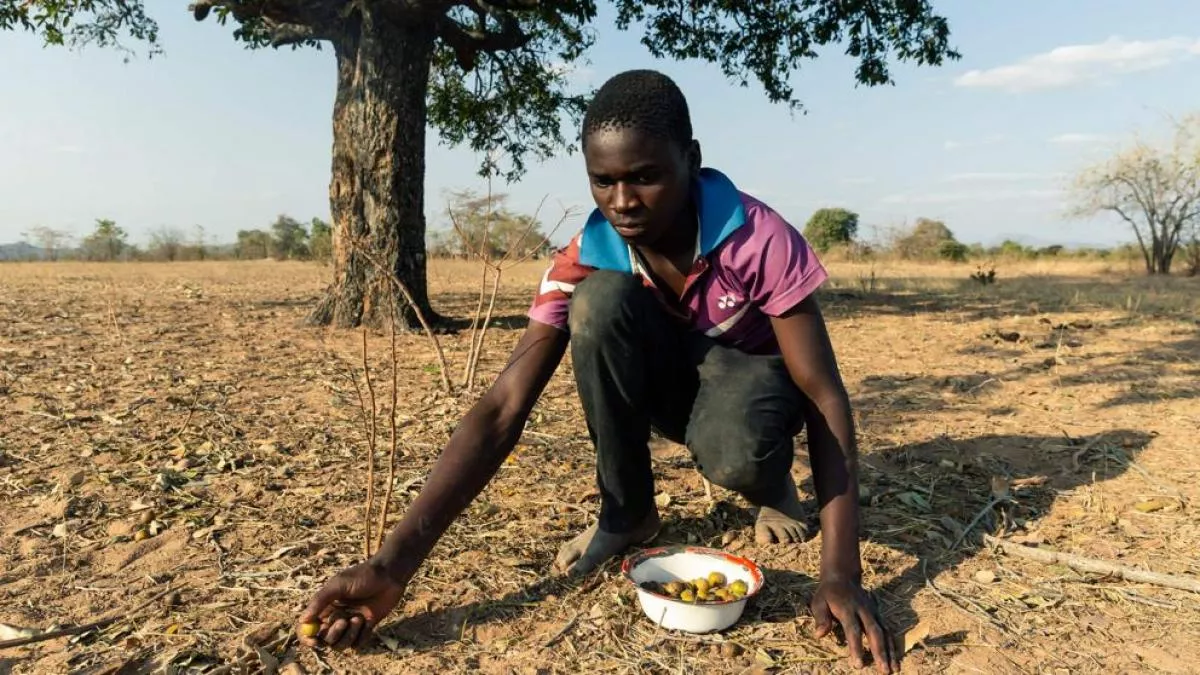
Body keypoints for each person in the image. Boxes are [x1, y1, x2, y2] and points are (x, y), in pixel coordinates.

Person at [297, 69, 899, 673]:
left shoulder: (755, 237)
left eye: (645, 177)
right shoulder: (586, 254)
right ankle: (627, 513)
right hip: (676, 383)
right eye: (603, 181)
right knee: (599, 302)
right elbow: (503, 407)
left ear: (690, 159)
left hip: (754, 377)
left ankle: (771, 489)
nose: (623, 202)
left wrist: (840, 572)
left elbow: (823, 394)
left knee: (734, 456)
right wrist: (390, 565)